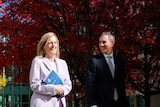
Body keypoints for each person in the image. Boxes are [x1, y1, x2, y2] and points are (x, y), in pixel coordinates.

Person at [86, 32, 130, 107]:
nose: (101, 45)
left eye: (104, 42)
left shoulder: (119, 61)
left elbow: (121, 84)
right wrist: (93, 104)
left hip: (120, 103)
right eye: (100, 42)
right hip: (102, 103)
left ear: (112, 43)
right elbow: (90, 84)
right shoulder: (94, 61)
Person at [29, 32, 72, 107]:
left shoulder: (63, 63)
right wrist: (53, 89)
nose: (53, 45)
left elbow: (68, 83)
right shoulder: (38, 61)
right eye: (50, 43)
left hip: (59, 103)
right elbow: (34, 85)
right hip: (42, 103)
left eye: (55, 43)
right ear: (43, 46)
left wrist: (63, 90)